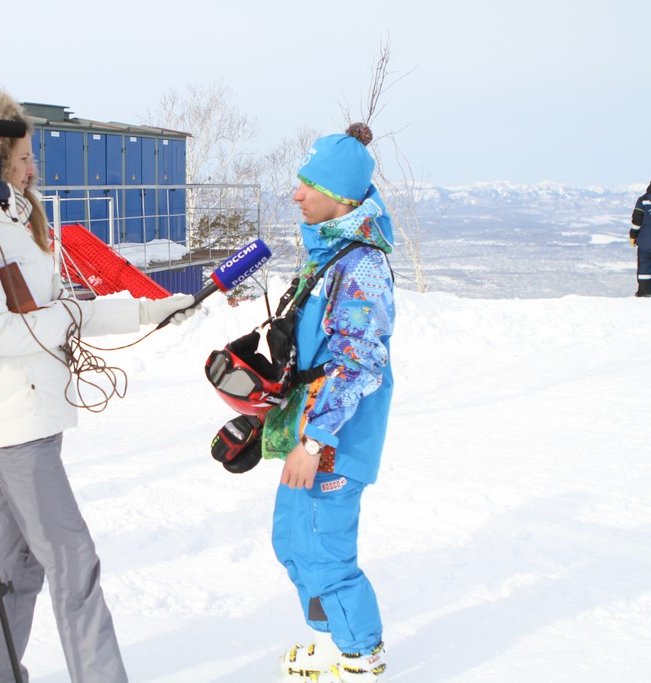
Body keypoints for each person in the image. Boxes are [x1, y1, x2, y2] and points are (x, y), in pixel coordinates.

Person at [0, 89, 195, 683]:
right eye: (22, 158)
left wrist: (154, 311)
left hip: (36, 416)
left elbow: (68, 310)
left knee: (19, 564)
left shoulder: (20, 228)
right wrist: (69, 318)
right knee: (75, 563)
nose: (32, 169)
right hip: (12, 423)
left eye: (31, 158)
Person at [265, 124, 394, 682]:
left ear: (340, 196)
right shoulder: (328, 255)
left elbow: (358, 362)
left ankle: (362, 656)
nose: (296, 194)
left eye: (307, 185)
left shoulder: (360, 264)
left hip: (335, 439)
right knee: (293, 540)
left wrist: (316, 441)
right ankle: (334, 641)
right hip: (310, 431)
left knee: (323, 549)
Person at [630, 176, 651, 298]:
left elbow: (636, 221)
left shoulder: (643, 200)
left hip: (645, 242)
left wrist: (633, 236)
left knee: (644, 266)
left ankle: (644, 292)